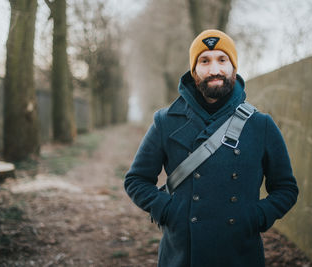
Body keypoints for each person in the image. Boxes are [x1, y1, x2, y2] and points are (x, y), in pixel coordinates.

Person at [124, 29, 298, 267]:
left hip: (240, 253)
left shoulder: (260, 125)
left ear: (233, 68)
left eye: (222, 60)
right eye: (204, 61)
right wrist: (167, 210)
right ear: (194, 70)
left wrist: (255, 217)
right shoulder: (165, 121)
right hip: (182, 255)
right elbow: (136, 180)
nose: (214, 70)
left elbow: (286, 188)